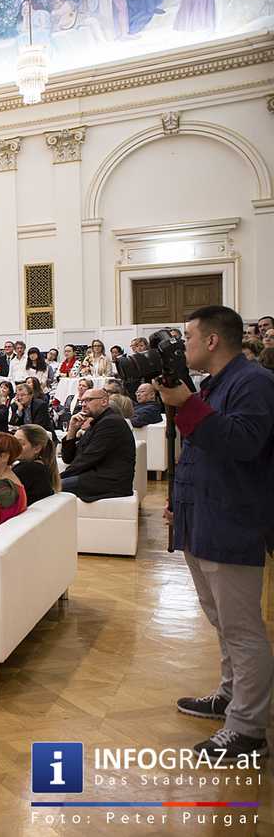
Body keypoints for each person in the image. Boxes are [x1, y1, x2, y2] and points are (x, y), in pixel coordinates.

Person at [147, 306, 274, 760]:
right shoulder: (212, 385)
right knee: (222, 621)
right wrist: (178, 501)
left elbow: (242, 443)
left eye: (189, 337)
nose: (185, 346)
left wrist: (188, 404)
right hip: (200, 513)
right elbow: (200, 447)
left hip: (232, 518)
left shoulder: (254, 382)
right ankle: (231, 695)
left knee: (242, 629)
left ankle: (248, 729)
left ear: (213, 341)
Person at [59, 388, 135, 501]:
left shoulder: (111, 422)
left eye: (88, 400)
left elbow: (87, 459)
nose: (83, 405)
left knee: (49, 488)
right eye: (82, 401)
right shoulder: (97, 422)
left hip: (108, 482)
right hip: (94, 477)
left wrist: (57, 478)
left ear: (104, 402)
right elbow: (68, 458)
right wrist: (72, 430)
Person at [13, 424, 60, 507]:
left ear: (37, 448)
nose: (13, 447)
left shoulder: (27, 469)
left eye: (20, 443)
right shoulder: (41, 467)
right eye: (13, 442)